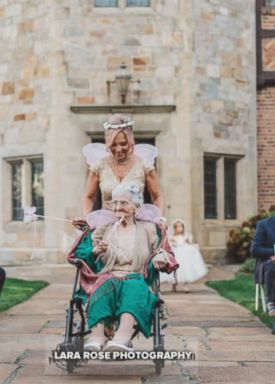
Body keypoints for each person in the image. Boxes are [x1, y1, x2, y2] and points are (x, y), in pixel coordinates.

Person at [68, 183, 178, 352]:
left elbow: (164, 250)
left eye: (124, 203)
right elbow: (80, 253)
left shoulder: (149, 229)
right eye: (115, 203)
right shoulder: (103, 229)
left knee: (134, 289)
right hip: (107, 275)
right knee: (102, 287)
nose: (118, 207)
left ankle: (122, 338)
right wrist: (94, 251)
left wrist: (160, 257)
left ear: (136, 207)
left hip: (136, 276)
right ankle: (96, 338)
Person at [80, 114, 164, 216]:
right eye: (114, 145)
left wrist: (159, 217)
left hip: (136, 223)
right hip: (105, 224)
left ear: (130, 141)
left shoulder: (144, 165)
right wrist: (86, 217)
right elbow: (89, 197)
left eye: (123, 143)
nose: (118, 149)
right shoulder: (99, 166)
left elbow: (157, 196)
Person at [160, 219, 208, 293]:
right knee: (175, 269)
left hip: (185, 254)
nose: (179, 229)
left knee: (185, 269)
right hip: (176, 254)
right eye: (177, 227)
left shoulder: (186, 236)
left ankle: (186, 285)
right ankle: (174, 284)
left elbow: (189, 243)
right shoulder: (172, 237)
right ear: (174, 228)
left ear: (183, 228)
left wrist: (194, 247)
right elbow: (169, 244)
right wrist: (173, 244)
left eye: (180, 227)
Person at [251, 213, 275, 316]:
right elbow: (255, 249)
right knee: (272, 266)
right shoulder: (264, 224)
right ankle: (272, 302)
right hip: (267, 261)